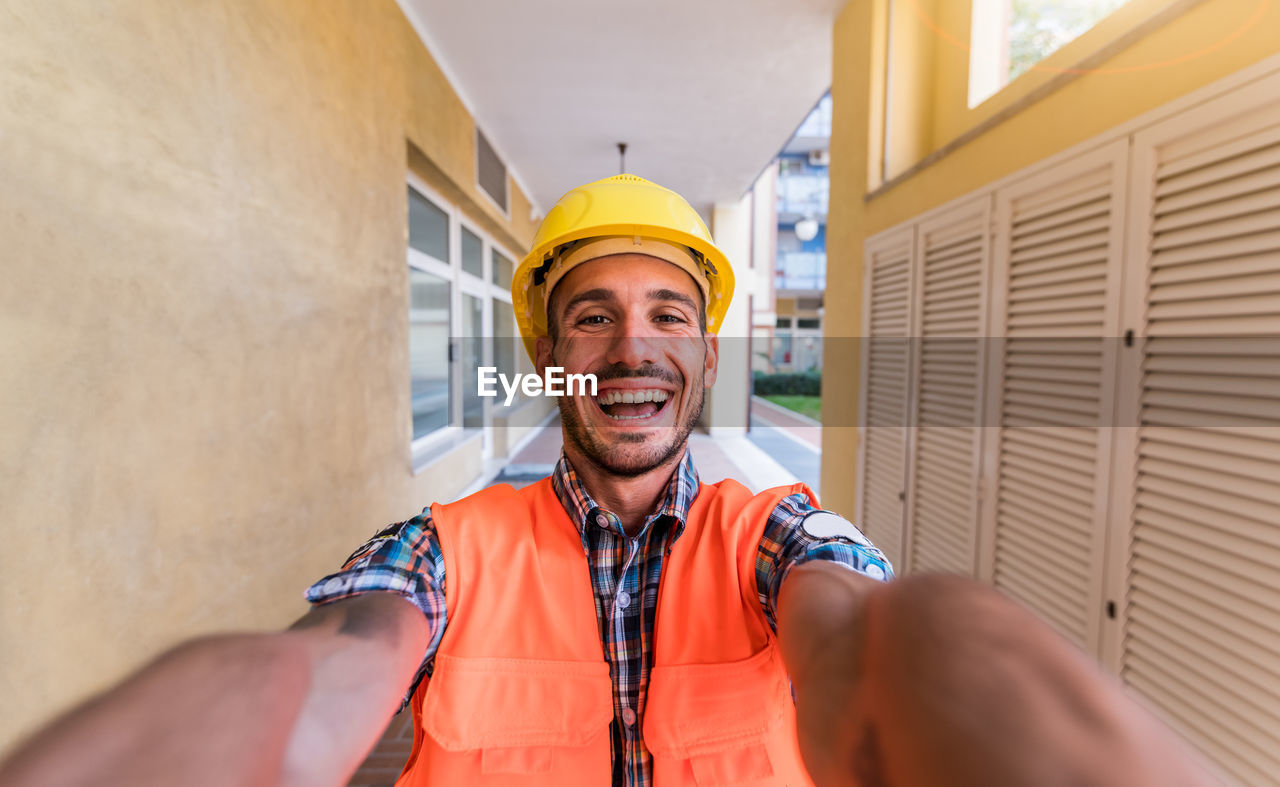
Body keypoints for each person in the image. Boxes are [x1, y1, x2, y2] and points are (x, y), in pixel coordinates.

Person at [0, 176, 1219, 787]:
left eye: (666, 316)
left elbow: (859, 654)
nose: (630, 348)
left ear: (699, 354)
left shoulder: (777, 536)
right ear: (545, 356)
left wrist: (950, 664)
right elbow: (322, 669)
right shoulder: (440, 547)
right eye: (591, 318)